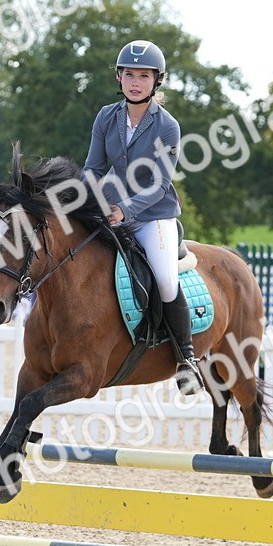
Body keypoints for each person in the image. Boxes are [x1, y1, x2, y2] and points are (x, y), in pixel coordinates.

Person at [82, 39, 199, 395]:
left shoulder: (168, 126)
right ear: (119, 78)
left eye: (143, 76)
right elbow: (93, 168)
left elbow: (161, 183)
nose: (135, 82)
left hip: (153, 216)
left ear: (156, 81)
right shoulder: (107, 116)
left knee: (164, 278)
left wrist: (124, 209)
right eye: (129, 75)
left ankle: (186, 359)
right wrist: (86, 200)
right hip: (112, 211)